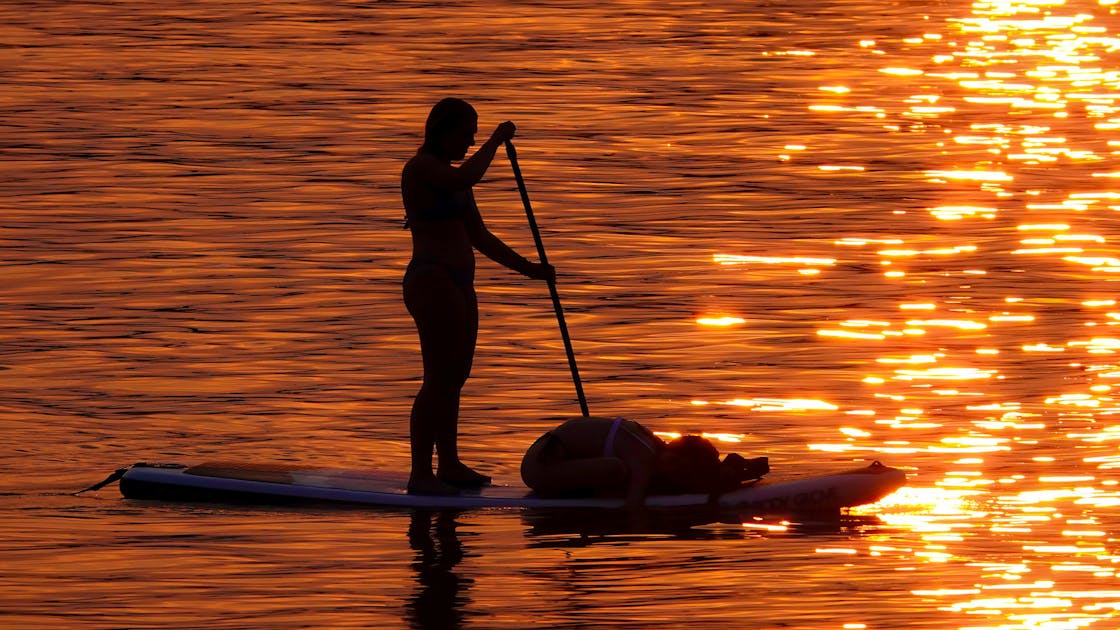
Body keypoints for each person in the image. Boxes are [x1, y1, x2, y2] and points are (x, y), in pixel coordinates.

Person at [401, 97, 555, 495]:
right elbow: (465, 177)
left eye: (475, 133)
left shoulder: (457, 179)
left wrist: (531, 270)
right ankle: (421, 473)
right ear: (443, 131)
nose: (470, 140)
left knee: (456, 376)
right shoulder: (422, 170)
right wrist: (496, 140)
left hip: (461, 283)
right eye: (466, 132)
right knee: (437, 379)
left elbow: (480, 237)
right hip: (431, 281)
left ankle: (448, 464)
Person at [520, 416, 769, 509]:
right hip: (540, 467)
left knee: (621, 471)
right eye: (673, 464)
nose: (669, 469)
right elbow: (633, 506)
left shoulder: (654, 445)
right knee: (616, 470)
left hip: (560, 460)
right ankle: (591, 498)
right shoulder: (644, 455)